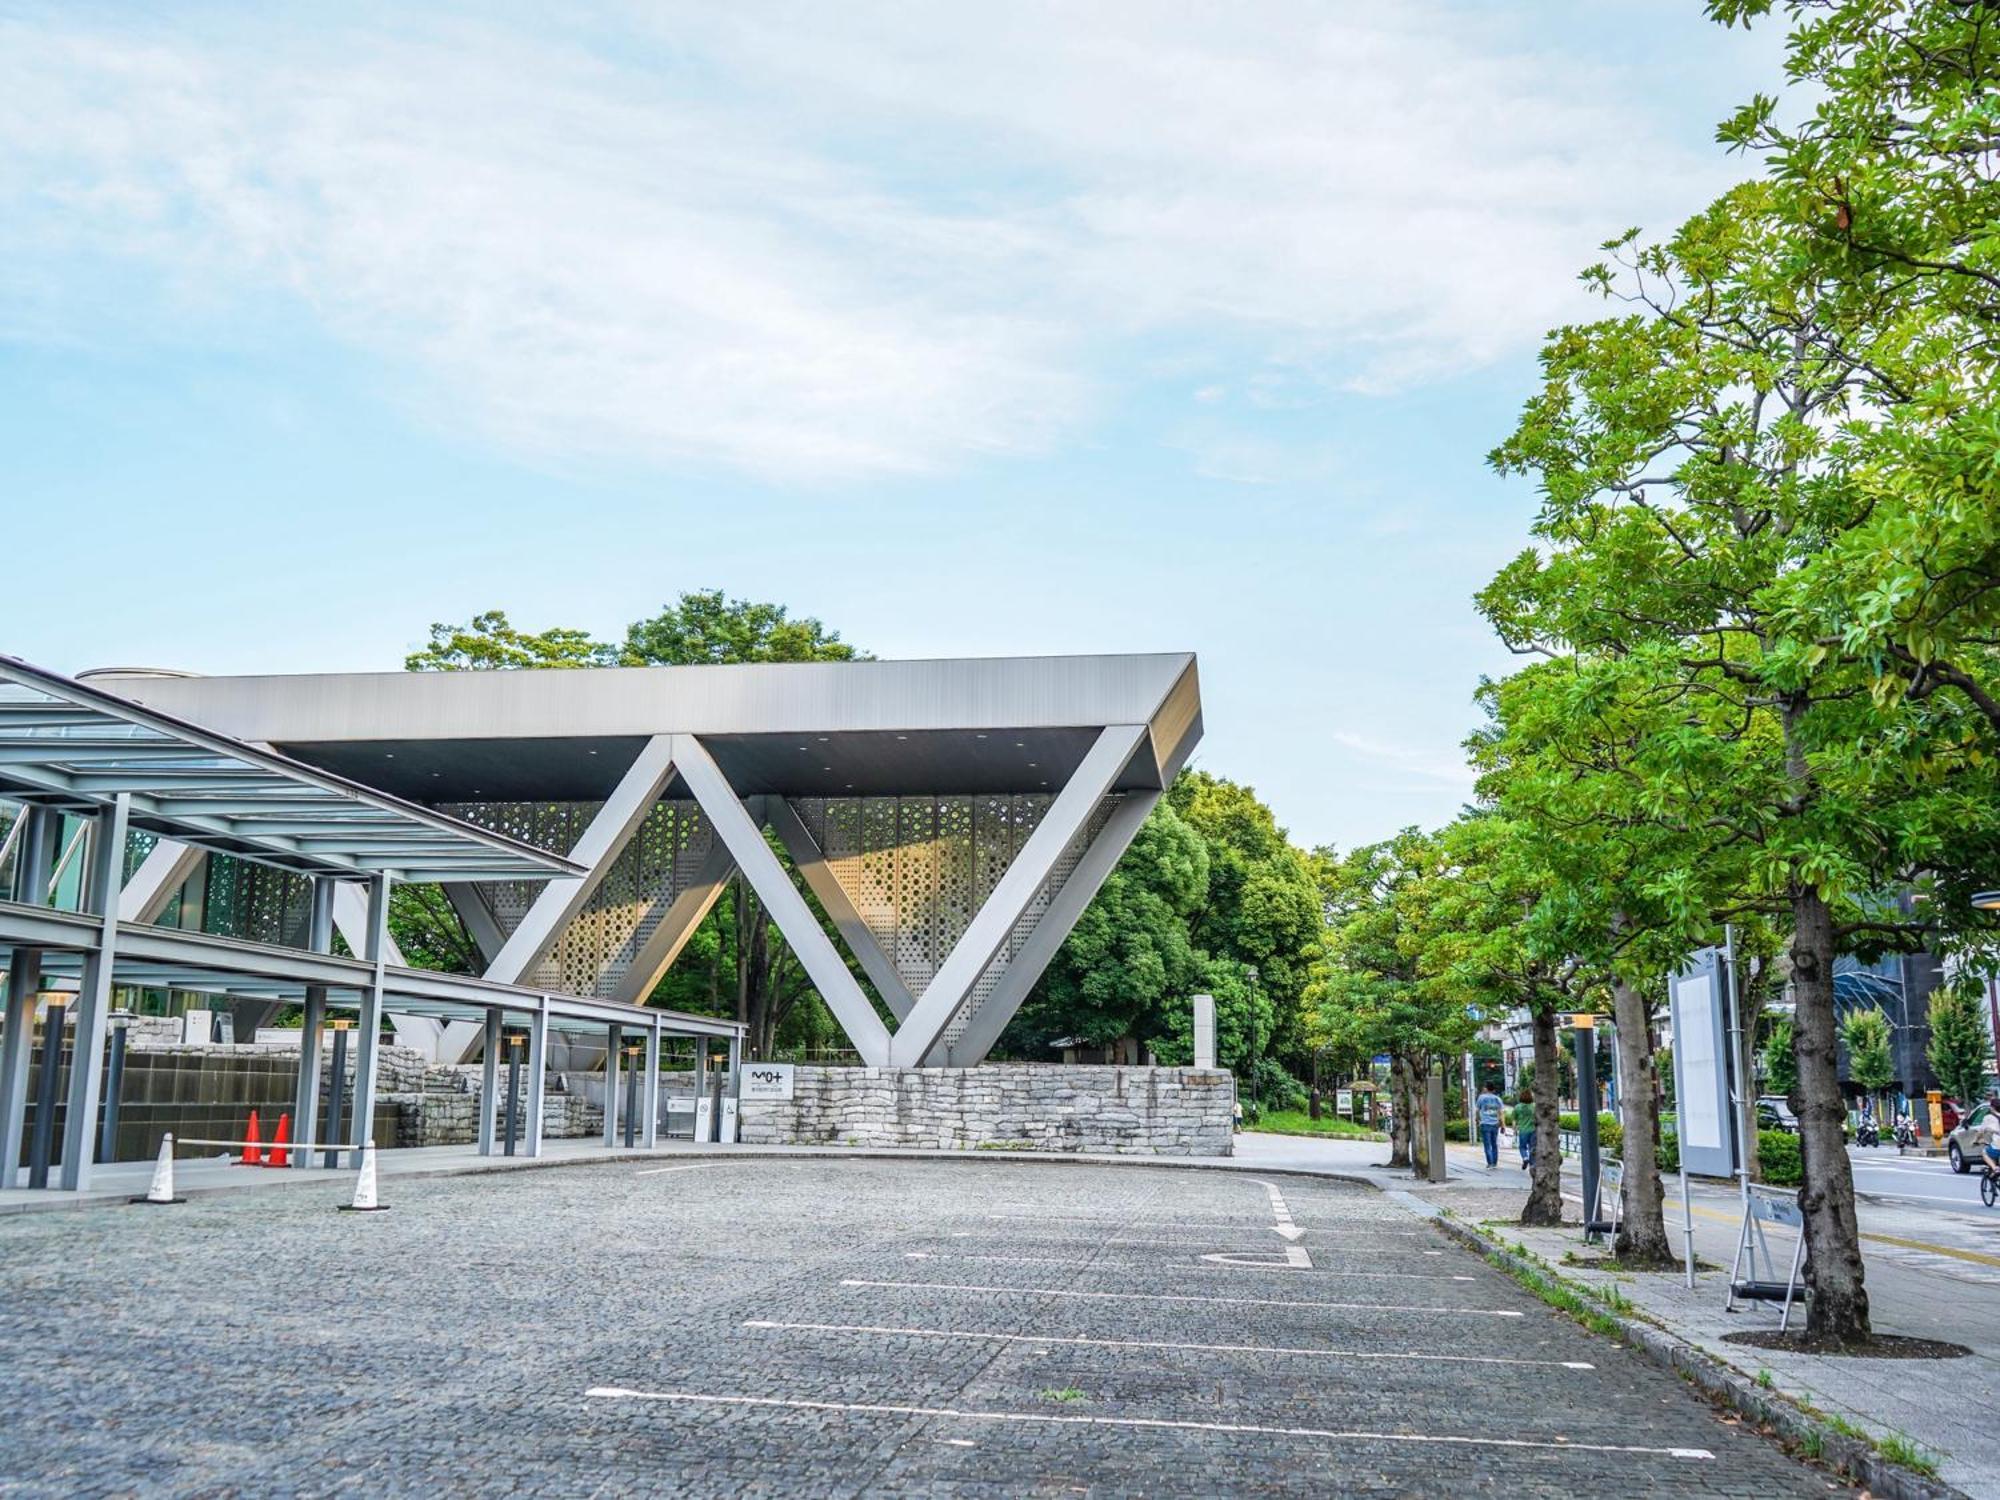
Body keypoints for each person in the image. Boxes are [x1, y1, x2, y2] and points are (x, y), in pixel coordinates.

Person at [1475, 1082, 1504, 1168]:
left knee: (1487, 1145)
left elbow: (1477, 1110)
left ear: (1486, 1088)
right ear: (1493, 1089)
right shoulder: (1497, 1099)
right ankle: (1494, 1163)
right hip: (1495, 1123)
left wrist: (1477, 1119)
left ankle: (1490, 1163)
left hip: (1485, 1123)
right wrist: (1502, 1124)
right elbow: (1501, 1112)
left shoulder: (1481, 1098)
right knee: (1494, 1144)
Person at [1514, 1087, 1536, 1170]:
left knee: (1522, 1147)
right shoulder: (1534, 1106)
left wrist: (1515, 1129)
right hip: (1533, 1130)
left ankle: (1525, 1158)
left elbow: (1514, 1119)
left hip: (1523, 1130)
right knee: (1532, 1147)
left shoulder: (1517, 1107)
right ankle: (1532, 1164)